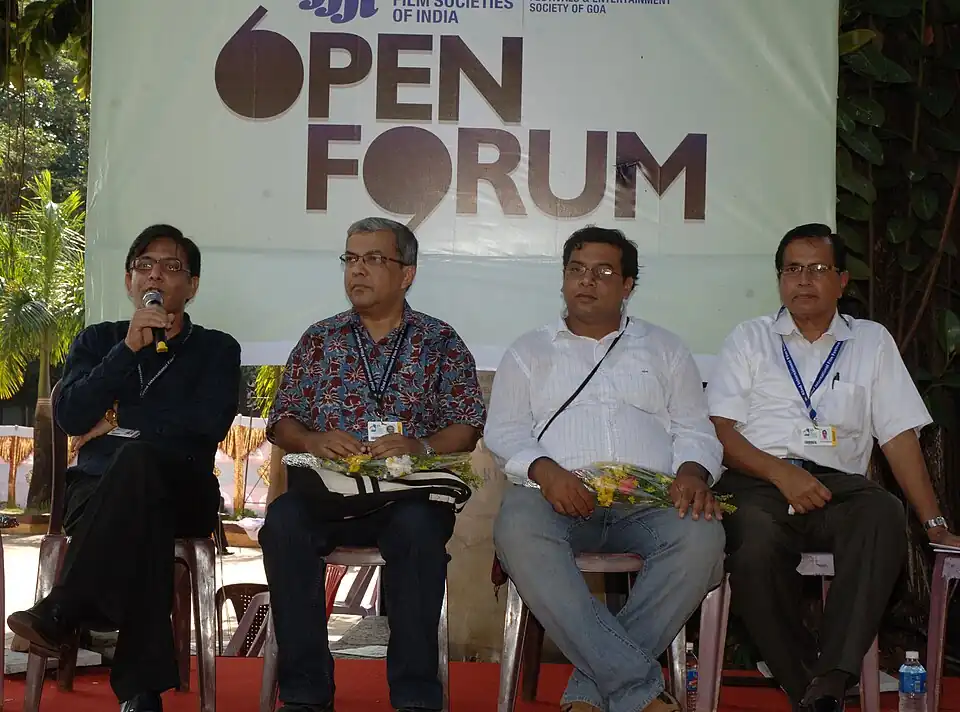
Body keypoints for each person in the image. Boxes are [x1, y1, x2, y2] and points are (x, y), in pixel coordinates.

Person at [706, 223, 960, 712]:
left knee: (883, 512)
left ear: (842, 281)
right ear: (779, 279)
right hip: (761, 480)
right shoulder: (750, 339)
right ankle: (813, 682)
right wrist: (782, 474)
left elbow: (899, 437)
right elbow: (722, 432)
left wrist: (935, 522)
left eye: (818, 269)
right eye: (793, 269)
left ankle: (831, 674)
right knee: (753, 540)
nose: (804, 280)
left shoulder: (871, 341)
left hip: (838, 489)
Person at [484, 226, 726, 712]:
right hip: (556, 495)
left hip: (651, 499)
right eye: (576, 270)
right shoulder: (528, 351)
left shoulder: (666, 348)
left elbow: (696, 428)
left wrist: (694, 472)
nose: (586, 281)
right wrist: (546, 472)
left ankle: (592, 691)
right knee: (517, 529)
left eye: (603, 272)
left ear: (628, 285)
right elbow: (504, 431)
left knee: (702, 540)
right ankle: (637, 690)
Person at [7, 224, 241, 712]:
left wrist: (116, 422)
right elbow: (70, 415)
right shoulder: (100, 342)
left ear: (192, 285)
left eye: (172, 267)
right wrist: (127, 350)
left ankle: (65, 608)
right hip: (97, 493)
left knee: (139, 466)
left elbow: (207, 425)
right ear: (130, 280)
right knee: (142, 513)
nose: (157, 274)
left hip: (186, 491)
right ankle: (140, 691)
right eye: (145, 265)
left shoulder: (217, 349)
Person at [260, 217, 486, 712]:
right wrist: (314, 439)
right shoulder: (320, 339)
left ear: (407, 274)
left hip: (408, 496)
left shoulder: (439, 341)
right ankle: (304, 694)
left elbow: (466, 426)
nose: (357, 271)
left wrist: (420, 445)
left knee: (419, 531)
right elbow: (281, 419)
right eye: (350, 259)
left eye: (373, 260)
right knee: (282, 523)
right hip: (328, 495)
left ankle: (415, 697)